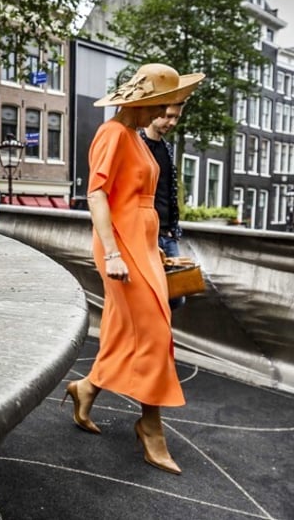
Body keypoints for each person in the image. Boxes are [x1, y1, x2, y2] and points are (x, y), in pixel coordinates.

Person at [63, 63, 203, 476]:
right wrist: (112, 253)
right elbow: (97, 195)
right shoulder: (112, 133)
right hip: (120, 245)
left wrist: (152, 249)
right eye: (162, 105)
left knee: (126, 330)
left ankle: (85, 390)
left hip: (142, 246)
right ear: (145, 103)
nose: (165, 113)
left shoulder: (136, 138)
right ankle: (151, 427)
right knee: (156, 333)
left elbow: (141, 199)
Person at [141, 103, 187, 309]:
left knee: (177, 296)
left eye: (176, 118)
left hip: (168, 235)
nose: (172, 123)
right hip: (146, 235)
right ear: (155, 112)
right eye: (168, 116)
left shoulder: (167, 148)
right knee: (148, 294)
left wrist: (172, 231)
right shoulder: (137, 145)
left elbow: (168, 192)